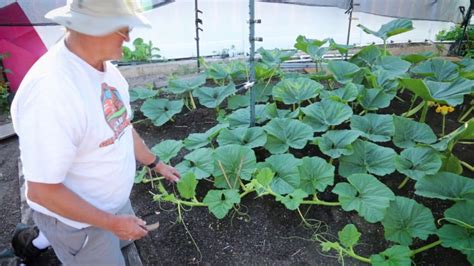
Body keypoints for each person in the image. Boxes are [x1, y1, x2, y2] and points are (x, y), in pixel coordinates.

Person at [10, 0, 180, 265]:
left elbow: (122, 126)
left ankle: (42, 238)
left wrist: (155, 163)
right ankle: (41, 240)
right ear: (92, 28)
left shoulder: (105, 70)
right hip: (77, 223)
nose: (129, 37)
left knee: (122, 241)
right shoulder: (51, 94)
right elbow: (41, 191)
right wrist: (111, 222)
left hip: (110, 204)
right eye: (124, 29)